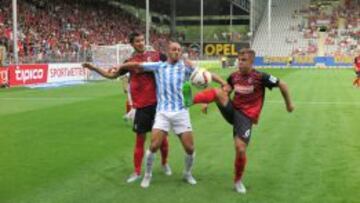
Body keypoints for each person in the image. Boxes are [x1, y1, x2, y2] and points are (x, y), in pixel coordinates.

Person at [117, 41, 228, 188]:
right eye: (174, 49)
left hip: (181, 112)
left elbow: (206, 74)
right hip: (162, 112)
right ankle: (147, 175)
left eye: (179, 50)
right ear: (168, 51)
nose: (177, 52)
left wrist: (223, 82)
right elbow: (138, 66)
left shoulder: (185, 67)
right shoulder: (159, 66)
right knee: (154, 145)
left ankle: (187, 174)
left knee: (190, 148)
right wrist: (123, 66)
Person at [192, 48, 295, 194]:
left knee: (240, 149)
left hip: (246, 116)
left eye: (244, 60)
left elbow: (283, 84)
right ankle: (190, 100)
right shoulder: (234, 76)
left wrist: (289, 105)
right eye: (239, 60)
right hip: (233, 110)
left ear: (252, 62)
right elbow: (226, 89)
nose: (240, 63)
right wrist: (207, 101)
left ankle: (238, 181)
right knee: (217, 92)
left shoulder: (261, 77)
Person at [82, 32, 171, 183]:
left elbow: (170, 63)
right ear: (132, 44)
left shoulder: (156, 56)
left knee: (162, 140)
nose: (141, 43)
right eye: (137, 41)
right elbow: (111, 76)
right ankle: (136, 172)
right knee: (140, 140)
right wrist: (93, 68)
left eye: (142, 40)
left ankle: (164, 163)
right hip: (141, 107)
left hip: (158, 105)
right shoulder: (129, 61)